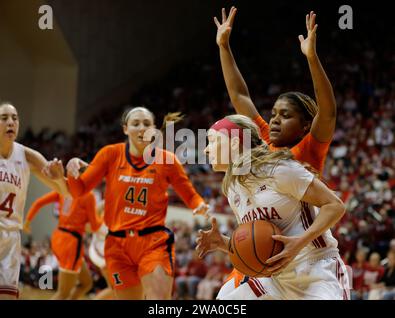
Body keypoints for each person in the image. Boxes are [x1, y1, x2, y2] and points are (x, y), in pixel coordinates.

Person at [213, 7, 338, 296]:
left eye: (285, 115)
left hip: (307, 256)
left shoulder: (308, 148)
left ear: (306, 125)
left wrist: (312, 58)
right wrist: (224, 47)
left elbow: (328, 112)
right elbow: (240, 96)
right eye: (273, 114)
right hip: (268, 257)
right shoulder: (264, 142)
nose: (274, 120)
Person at [196, 115, 349, 299]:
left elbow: (334, 205)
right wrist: (225, 243)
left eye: (212, 141)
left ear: (235, 143)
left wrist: (299, 242)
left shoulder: (278, 168)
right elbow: (260, 241)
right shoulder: (233, 189)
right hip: (276, 278)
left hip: (316, 268)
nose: (205, 149)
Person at [65, 106, 209, 299]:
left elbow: (190, 195)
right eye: (136, 124)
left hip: (153, 242)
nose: (142, 128)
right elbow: (78, 190)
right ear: (125, 129)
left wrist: (198, 205)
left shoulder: (167, 160)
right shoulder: (110, 154)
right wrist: (71, 170)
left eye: (147, 124)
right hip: (117, 245)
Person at [0, 102, 68, 300]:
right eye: (4, 118)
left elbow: (65, 192)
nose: (11, 122)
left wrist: (59, 177)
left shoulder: (27, 156)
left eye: (15, 118)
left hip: (11, 237)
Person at [23, 190, 102, 300]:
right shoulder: (88, 195)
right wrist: (103, 212)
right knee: (63, 294)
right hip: (71, 243)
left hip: (58, 237)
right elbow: (95, 226)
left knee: (86, 282)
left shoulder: (63, 189)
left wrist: (27, 221)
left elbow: (38, 202)